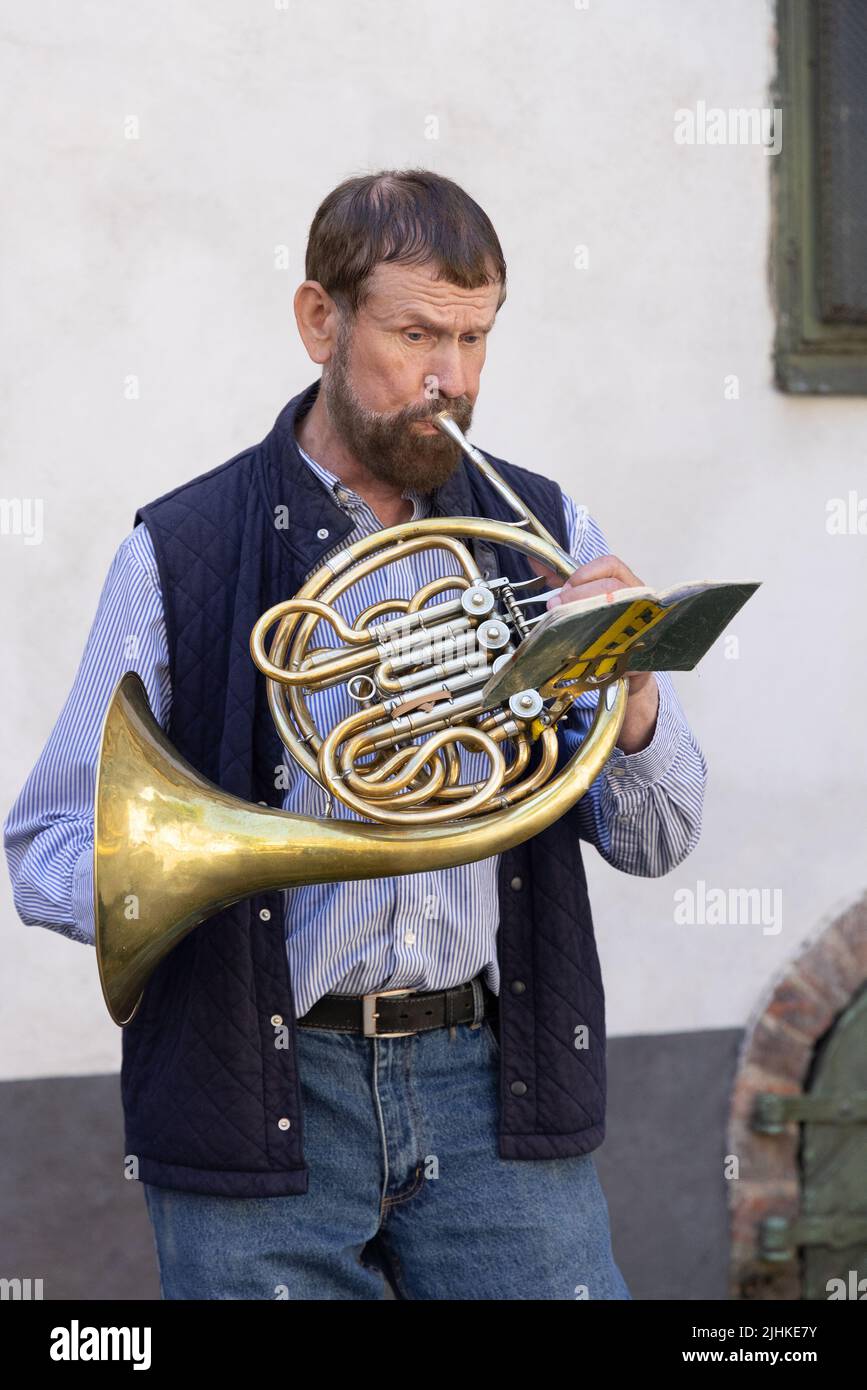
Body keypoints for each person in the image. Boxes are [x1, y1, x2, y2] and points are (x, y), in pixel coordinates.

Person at [4, 168, 707, 1300]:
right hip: (264, 1092)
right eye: (418, 333)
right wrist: (209, 856)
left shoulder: (541, 532)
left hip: (494, 1083)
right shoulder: (180, 550)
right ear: (319, 320)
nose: (452, 383)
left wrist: (633, 706)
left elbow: (665, 836)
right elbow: (43, 850)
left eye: (477, 340)